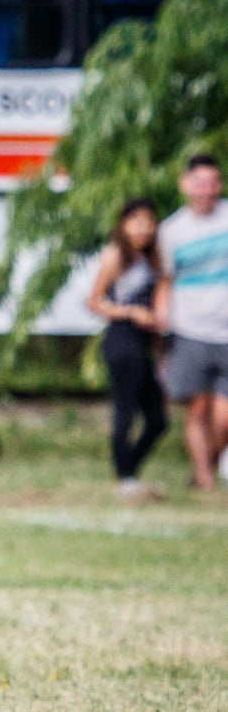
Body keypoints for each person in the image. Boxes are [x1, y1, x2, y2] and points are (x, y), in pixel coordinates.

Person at [86, 197, 167, 501]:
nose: (143, 228)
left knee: (157, 420)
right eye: (136, 221)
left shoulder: (151, 259)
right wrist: (131, 313)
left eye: (149, 221)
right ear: (123, 224)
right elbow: (94, 302)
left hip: (143, 343)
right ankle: (125, 478)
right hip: (122, 340)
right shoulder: (115, 255)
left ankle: (129, 470)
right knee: (126, 411)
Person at [155, 153, 228, 491]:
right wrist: (162, 321)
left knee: (223, 416)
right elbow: (165, 281)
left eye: (212, 183)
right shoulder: (171, 231)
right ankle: (203, 478)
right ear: (185, 185)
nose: (206, 189)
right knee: (197, 408)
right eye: (199, 183)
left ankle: (211, 461)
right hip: (190, 329)